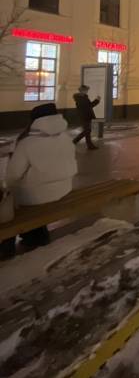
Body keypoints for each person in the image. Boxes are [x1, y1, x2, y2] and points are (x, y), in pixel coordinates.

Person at [0, 103, 77, 260]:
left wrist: (7, 186)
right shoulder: (66, 138)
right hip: (64, 189)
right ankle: (35, 235)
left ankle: (8, 245)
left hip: (36, 198)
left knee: (8, 200)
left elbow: (13, 175)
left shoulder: (27, 143)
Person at [72, 84, 100, 150]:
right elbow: (89, 106)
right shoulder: (80, 98)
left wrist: (96, 100)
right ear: (82, 90)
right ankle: (74, 141)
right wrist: (97, 100)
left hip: (86, 116)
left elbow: (89, 106)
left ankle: (89, 145)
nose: (87, 91)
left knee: (87, 131)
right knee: (87, 131)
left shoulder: (83, 97)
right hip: (84, 116)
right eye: (86, 90)